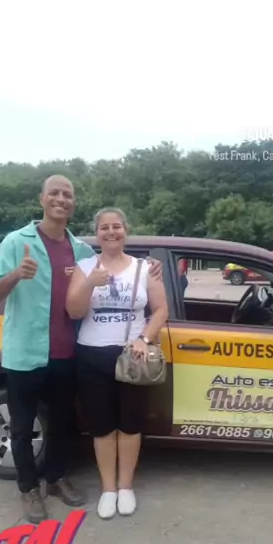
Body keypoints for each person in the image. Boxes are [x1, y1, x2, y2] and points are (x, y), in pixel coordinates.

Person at [0, 176, 163, 524]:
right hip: (25, 351)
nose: (61, 199)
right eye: (54, 193)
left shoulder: (81, 251)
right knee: (22, 427)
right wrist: (16, 274)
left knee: (62, 423)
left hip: (66, 353)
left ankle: (56, 477)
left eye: (67, 194)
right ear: (42, 198)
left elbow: (116, 265)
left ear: (73, 202)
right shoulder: (17, 242)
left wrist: (152, 264)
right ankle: (28, 488)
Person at [66, 208, 168, 520]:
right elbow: (73, 311)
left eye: (117, 226)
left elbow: (161, 310)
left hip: (132, 357)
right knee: (102, 427)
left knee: (130, 425)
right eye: (104, 227)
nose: (111, 232)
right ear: (97, 234)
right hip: (92, 356)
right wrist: (90, 284)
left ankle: (125, 487)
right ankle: (108, 489)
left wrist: (144, 339)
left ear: (126, 230)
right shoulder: (85, 267)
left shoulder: (144, 268)